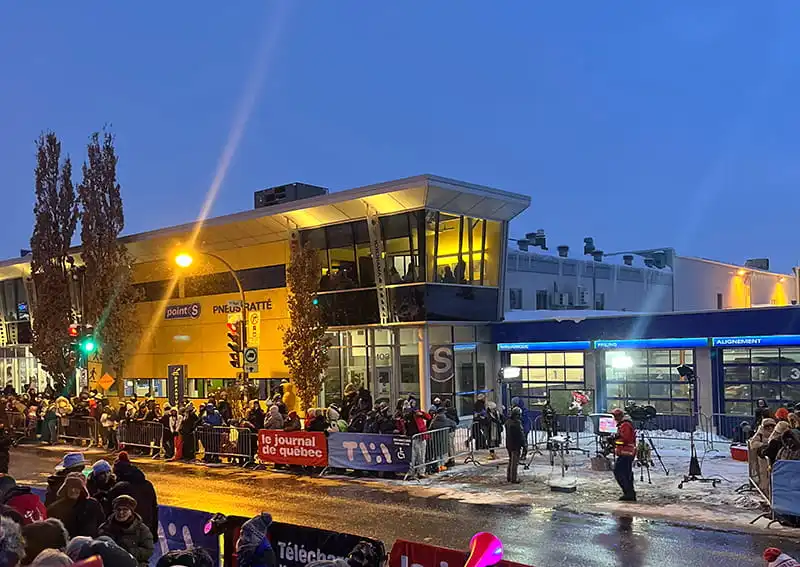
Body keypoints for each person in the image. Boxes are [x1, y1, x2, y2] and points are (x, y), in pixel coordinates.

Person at [107, 452, 158, 540]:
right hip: (145, 531)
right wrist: (154, 533)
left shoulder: (119, 488)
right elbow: (154, 510)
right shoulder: (148, 485)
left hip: (125, 534)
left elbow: (109, 513)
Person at [99, 495, 154, 567]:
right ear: (114, 511)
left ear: (131, 512)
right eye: (118, 509)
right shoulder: (105, 528)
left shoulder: (142, 529)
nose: (121, 512)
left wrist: (128, 551)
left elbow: (148, 550)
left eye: (125, 509)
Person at [46, 472, 104, 539]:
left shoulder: (94, 504)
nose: (73, 490)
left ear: (82, 489)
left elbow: (101, 524)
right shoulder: (54, 508)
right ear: (65, 489)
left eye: (77, 487)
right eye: (70, 487)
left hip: (90, 542)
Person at [611, 408, 636, 502]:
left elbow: (625, 440)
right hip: (627, 452)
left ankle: (628, 493)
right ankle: (630, 493)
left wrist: (614, 441)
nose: (614, 419)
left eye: (615, 416)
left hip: (626, 453)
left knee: (619, 472)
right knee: (626, 473)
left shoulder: (625, 425)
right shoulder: (624, 424)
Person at [748, 418, 776, 497]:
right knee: (764, 474)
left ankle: (771, 493)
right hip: (763, 458)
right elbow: (753, 443)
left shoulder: (776, 433)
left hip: (773, 457)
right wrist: (764, 445)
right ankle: (765, 492)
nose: (770, 428)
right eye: (768, 426)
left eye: (772, 426)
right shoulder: (760, 433)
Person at [505, 407, 525, 484]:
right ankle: (513, 478)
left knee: (510, 461)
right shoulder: (517, 423)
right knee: (514, 462)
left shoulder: (508, 422)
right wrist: (524, 445)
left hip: (509, 444)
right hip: (515, 445)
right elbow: (521, 435)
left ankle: (509, 477)